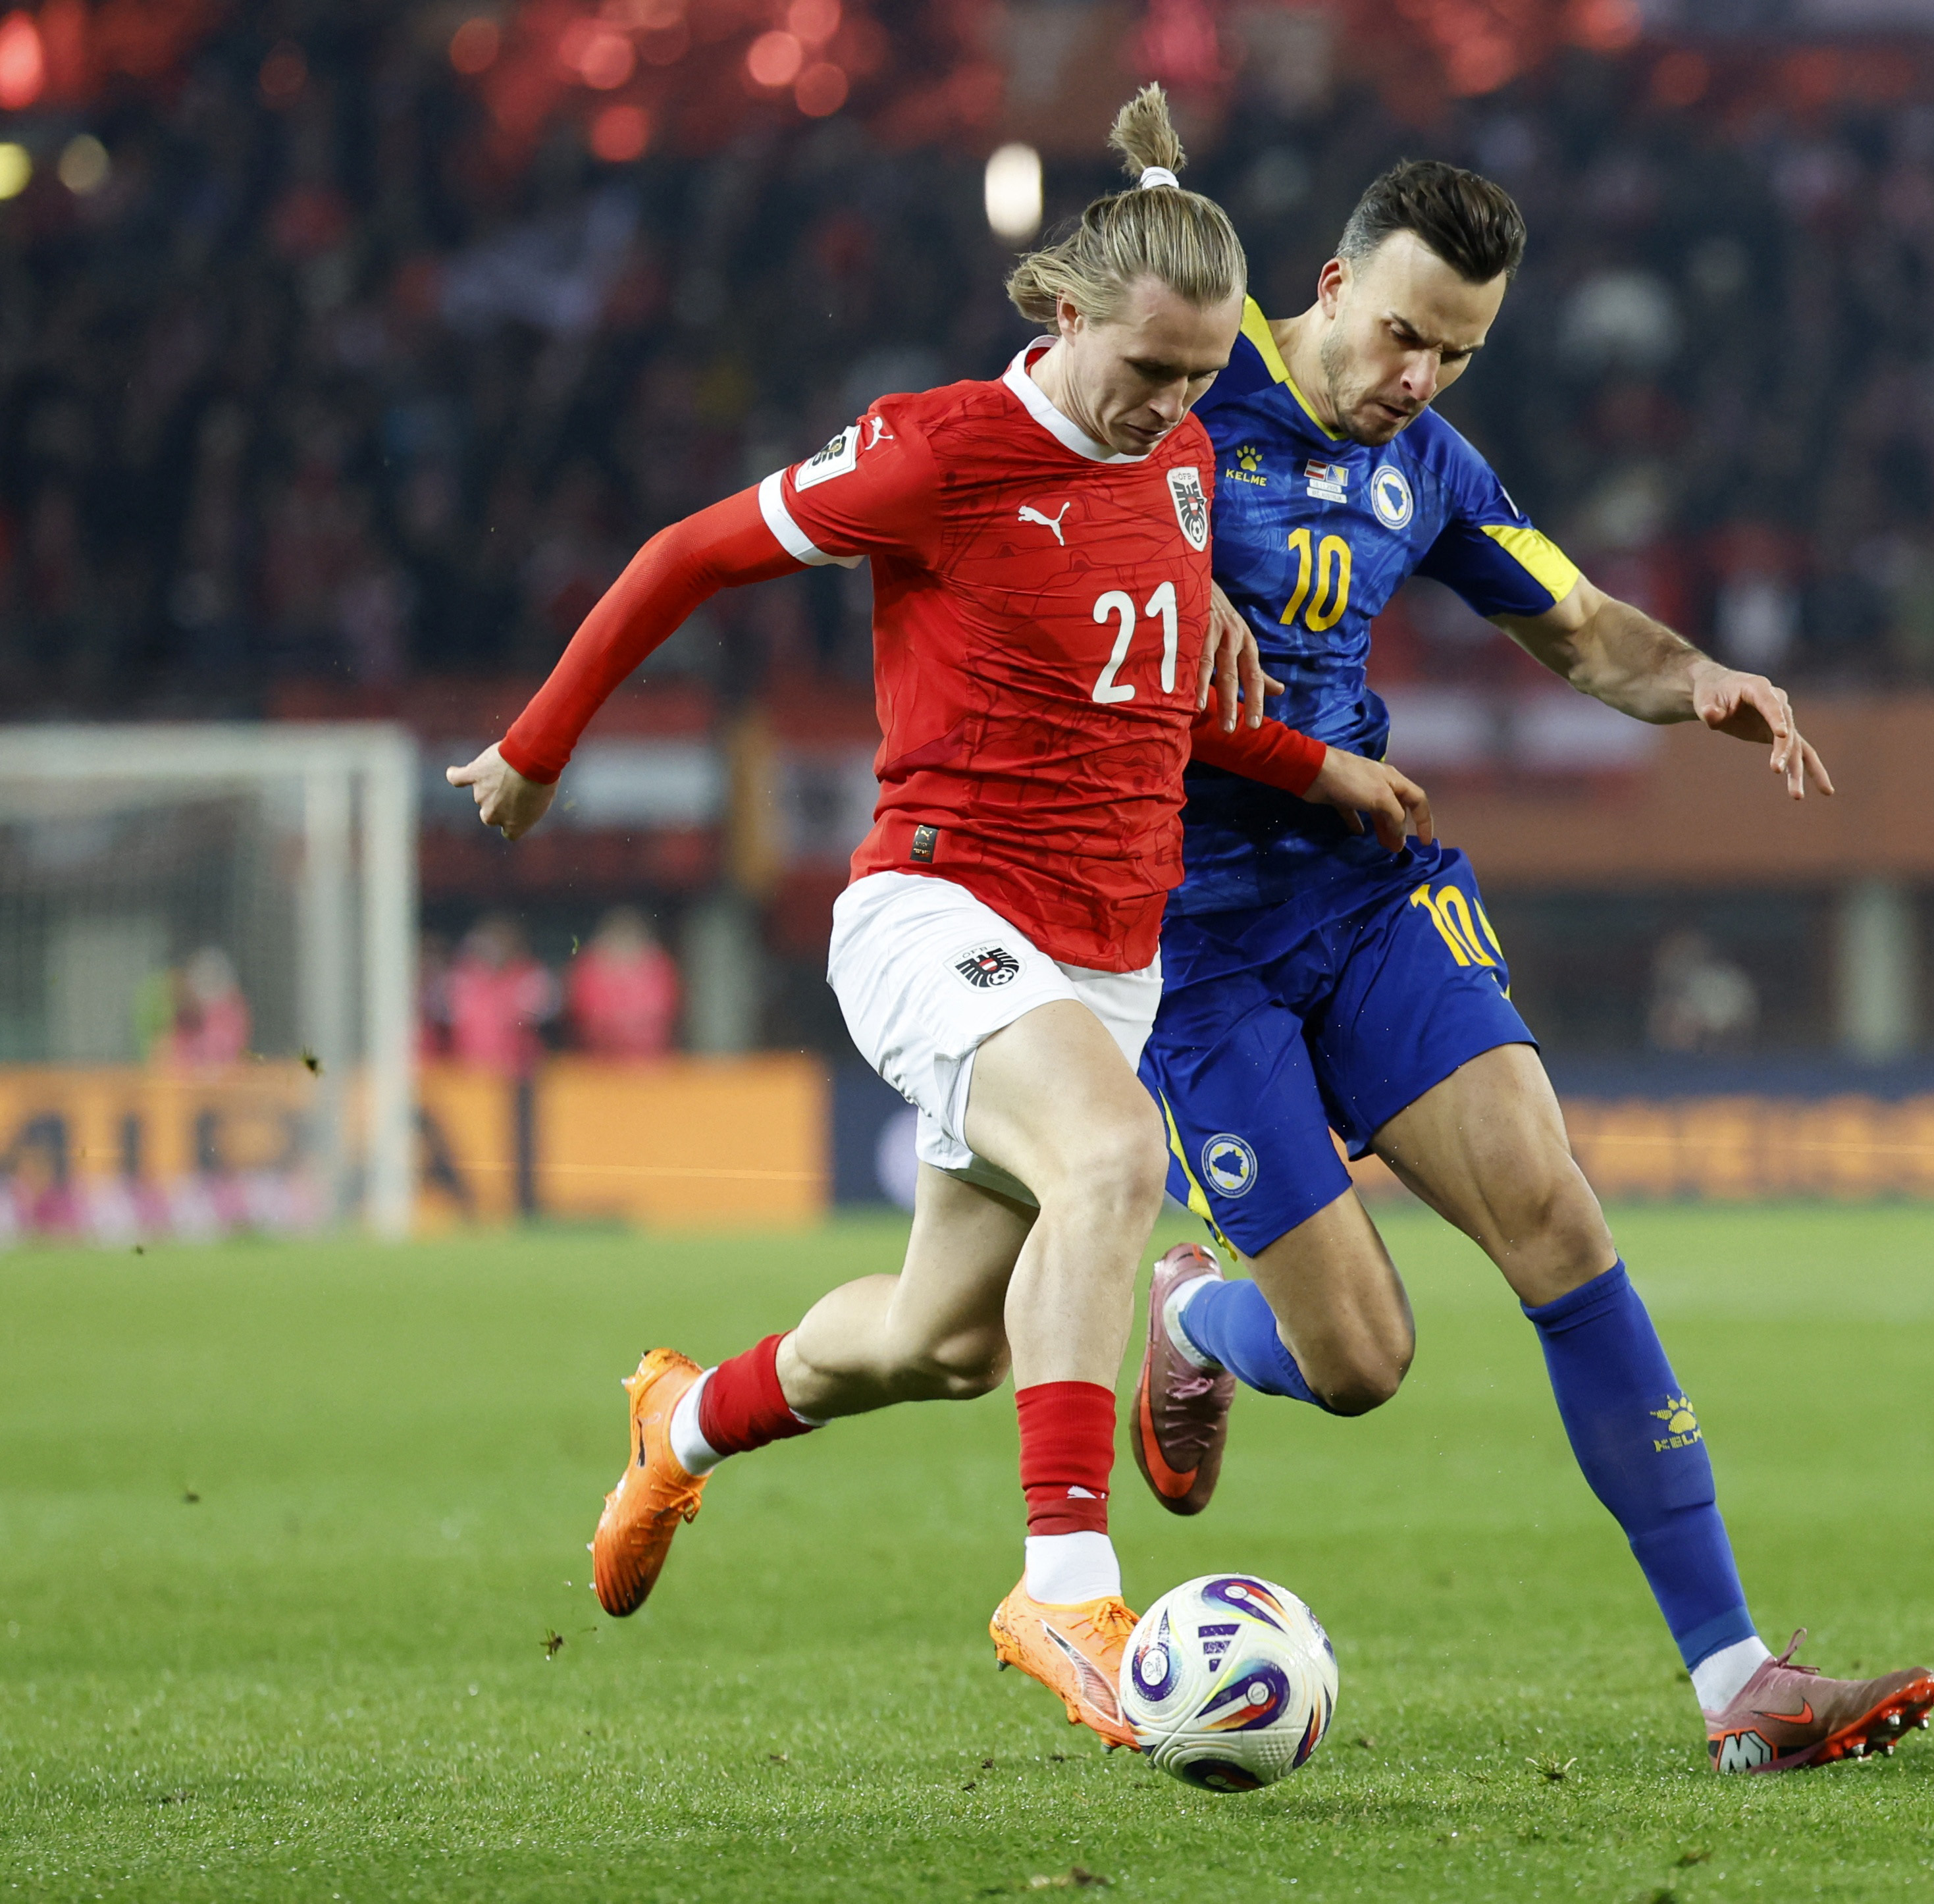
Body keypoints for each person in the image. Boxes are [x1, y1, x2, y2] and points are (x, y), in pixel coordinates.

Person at [444, 88, 1426, 1749]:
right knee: (1113, 1159)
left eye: (1201, 377)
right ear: (1065, 313)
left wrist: (1303, 758)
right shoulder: (938, 453)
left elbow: (1145, 699)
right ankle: (1064, 1587)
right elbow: (685, 556)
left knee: (942, 1342)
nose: (1172, 406)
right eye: (1150, 368)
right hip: (940, 905)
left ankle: (682, 1425)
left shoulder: (1182, 456)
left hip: (1108, 953)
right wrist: (538, 751)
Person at [1128, 160, 1934, 1774]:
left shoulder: (1425, 464)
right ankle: (1199, 1323)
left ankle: (1738, 1686)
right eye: (1405, 335)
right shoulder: (1181, 394)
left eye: (1460, 352)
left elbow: (1576, 626)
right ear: (1333, 286)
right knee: (1361, 1363)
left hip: (1367, 891)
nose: (1420, 377)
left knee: (1556, 1214)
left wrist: (1700, 680)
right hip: (1190, 942)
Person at [445, 916, 558, 1078]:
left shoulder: (528, 976)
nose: (492, 949)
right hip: (469, 1074)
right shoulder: (463, 978)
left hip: (515, 1077)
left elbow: (543, 1009)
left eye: (499, 942)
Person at [567, 906, 681, 1058]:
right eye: (618, 936)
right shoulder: (589, 967)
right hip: (597, 1061)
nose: (624, 942)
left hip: (650, 1061)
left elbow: (663, 1012)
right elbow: (586, 1015)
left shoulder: (659, 966)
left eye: (630, 936)